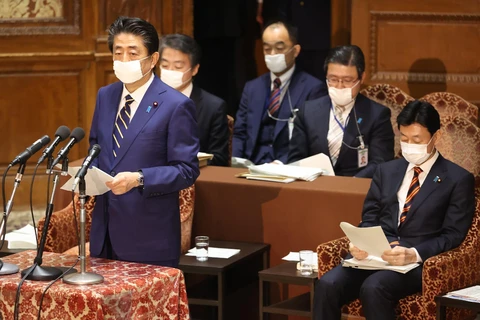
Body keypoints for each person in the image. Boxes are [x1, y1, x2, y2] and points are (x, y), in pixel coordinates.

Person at [313, 100, 475, 320]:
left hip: (417, 262)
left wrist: (414, 254)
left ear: (435, 137)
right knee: (327, 285)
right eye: (404, 138)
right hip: (376, 255)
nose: (409, 145)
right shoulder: (386, 170)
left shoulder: (457, 179)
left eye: (416, 140)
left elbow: (453, 235)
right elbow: (370, 216)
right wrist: (362, 242)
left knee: (374, 287)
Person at [88, 17, 200, 268]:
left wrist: (138, 178)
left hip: (148, 236)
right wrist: (87, 174)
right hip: (104, 233)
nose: (124, 60)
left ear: (153, 59)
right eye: (118, 52)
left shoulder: (176, 105)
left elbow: (186, 170)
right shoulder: (106, 95)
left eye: (133, 52)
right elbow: (96, 145)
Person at [288, 45, 394, 177]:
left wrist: (348, 185)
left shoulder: (377, 115)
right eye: (333, 79)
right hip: (315, 187)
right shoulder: (307, 111)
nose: (339, 86)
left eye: (347, 80)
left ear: (362, 78)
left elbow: (380, 162)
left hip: (356, 190)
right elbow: (296, 159)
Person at [233, 20, 326, 165]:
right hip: (250, 164)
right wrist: (236, 161)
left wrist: (281, 163)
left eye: (279, 48)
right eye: (267, 49)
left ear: (295, 51)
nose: (272, 54)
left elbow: (311, 140)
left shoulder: (312, 88)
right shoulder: (252, 87)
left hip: (287, 166)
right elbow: (239, 132)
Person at [159, 33, 229, 167]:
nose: (170, 71)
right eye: (165, 65)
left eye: (178, 67)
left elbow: (220, 158)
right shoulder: (147, 100)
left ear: (195, 69)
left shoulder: (213, 107)